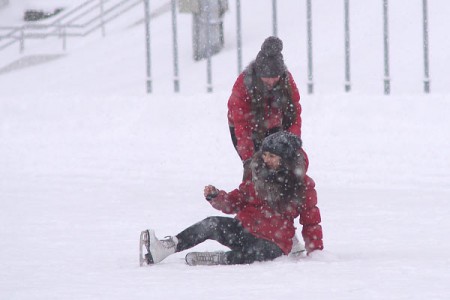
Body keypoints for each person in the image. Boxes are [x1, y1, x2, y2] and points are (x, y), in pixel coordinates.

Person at [140, 131, 322, 266]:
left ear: (286, 159)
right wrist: (217, 197)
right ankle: (166, 247)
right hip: (244, 230)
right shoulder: (259, 175)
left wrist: (315, 254)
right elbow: (236, 200)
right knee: (211, 223)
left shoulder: (303, 185)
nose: (266, 160)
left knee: (261, 253)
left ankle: (220, 259)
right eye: (265, 154)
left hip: (273, 243)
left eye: (272, 156)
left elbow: (311, 223)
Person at [227, 36, 323, 254]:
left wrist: (291, 146)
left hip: (274, 128)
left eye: (275, 77)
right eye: (266, 77)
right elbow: (241, 127)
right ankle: (251, 223)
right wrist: (250, 158)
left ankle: (284, 229)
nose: (271, 81)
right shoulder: (243, 84)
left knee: (286, 171)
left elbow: (294, 115)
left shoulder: (287, 82)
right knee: (256, 172)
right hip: (246, 128)